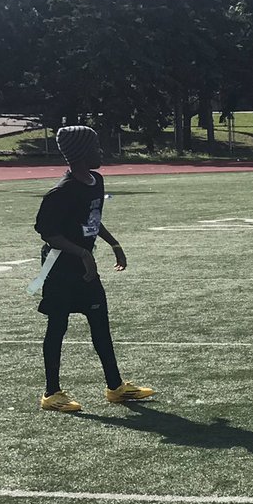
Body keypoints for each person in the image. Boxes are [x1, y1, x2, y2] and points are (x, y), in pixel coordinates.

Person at [34, 125, 154, 412]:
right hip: (60, 269)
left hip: (84, 267)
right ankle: (51, 393)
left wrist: (113, 244)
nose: (101, 151)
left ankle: (115, 387)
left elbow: (92, 219)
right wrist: (82, 254)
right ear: (79, 153)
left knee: (100, 323)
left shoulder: (96, 181)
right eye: (95, 147)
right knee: (57, 326)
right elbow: (47, 232)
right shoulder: (60, 192)